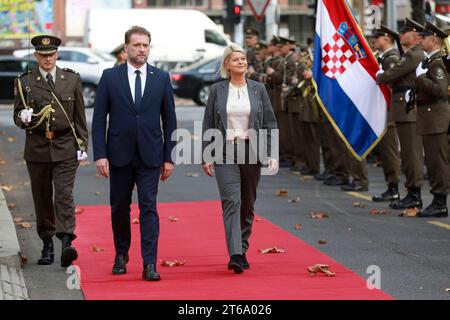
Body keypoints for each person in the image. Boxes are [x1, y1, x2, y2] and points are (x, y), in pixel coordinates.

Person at [91, 26, 177, 281]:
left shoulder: (161, 78)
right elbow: (98, 120)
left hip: (151, 154)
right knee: (119, 207)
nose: (142, 49)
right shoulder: (110, 77)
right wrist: (100, 154)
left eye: (145, 45)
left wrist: (169, 156)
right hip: (118, 154)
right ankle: (121, 254)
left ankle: (150, 263)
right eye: (137, 45)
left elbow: (170, 120)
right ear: (126, 47)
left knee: (149, 207)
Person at [13, 35, 88, 268]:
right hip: (37, 149)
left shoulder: (71, 79)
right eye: (43, 55)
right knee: (42, 196)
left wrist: (82, 145)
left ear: (57, 54)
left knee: (64, 195)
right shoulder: (24, 81)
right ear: (36, 56)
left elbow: (79, 117)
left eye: (51, 54)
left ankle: (67, 243)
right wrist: (22, 118)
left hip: (65, 146)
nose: (48, 59)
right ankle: (47, 243)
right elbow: (17, 115)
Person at [202, 44, 278, 274]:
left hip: (251, 150)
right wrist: (207, 154)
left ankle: (242, 248)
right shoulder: (217, 90)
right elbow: (208, 122)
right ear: (227, 64)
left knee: (247, 203)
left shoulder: (258, 89)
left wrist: (271, 153)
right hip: (224, 149)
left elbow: (270, 122)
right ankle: (235, 254)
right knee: (231, 201)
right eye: (236, 59)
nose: (241, 62)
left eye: (243, 59)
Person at [377, 18, 425, 210]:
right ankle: (411, 192)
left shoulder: (414, 55)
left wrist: (380, 76)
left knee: (411, 154)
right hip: (403, 110)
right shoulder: (409, 54)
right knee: (407, 154)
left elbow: (391, 75)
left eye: (404, 32)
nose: (400, 35)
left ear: (415, 36)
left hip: (409, 110)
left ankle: (415, 194)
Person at [414, 22, 450, 217]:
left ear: (434, 39)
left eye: (424, 38)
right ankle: (438, 199)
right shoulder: (430, 61)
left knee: (438, 162)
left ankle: (440, 202)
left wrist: (420, 78)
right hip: (431, 119)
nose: (420, 41)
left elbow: (440, 90)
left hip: (437, 119)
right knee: (434, 161)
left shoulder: (437, 63)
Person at [371, 26, 402, 202]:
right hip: (382, 110)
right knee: (385, 150)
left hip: (388, 111)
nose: (374, 41)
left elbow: (391, 85)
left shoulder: (391, 59)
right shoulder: (385, 58)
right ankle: (391, 186)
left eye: (377, 38)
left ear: (386, 39)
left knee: (389, 150)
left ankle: (394, 187)